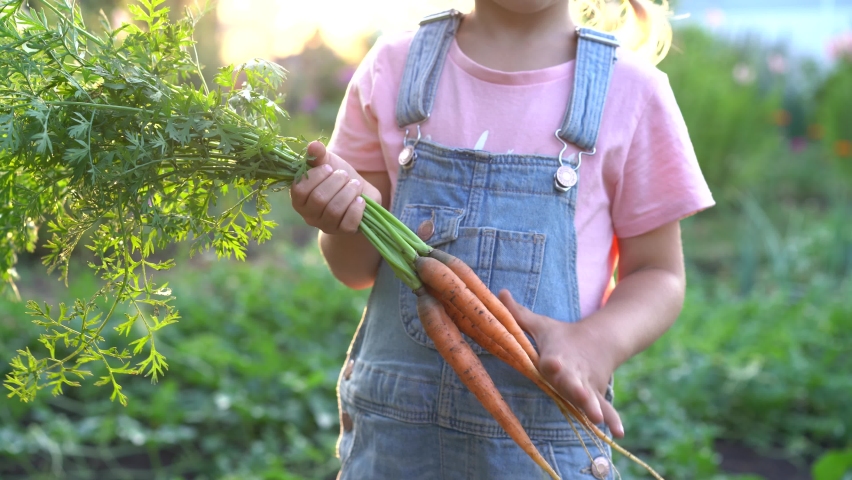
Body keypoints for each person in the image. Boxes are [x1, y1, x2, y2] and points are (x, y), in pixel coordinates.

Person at [290, 0, 714, 478]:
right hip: (394, 450)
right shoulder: (393, 67)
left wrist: (596, 343)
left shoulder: (632, 91)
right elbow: (353, 269)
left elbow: (658, 273)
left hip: (541, 448)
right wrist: (339, 217)